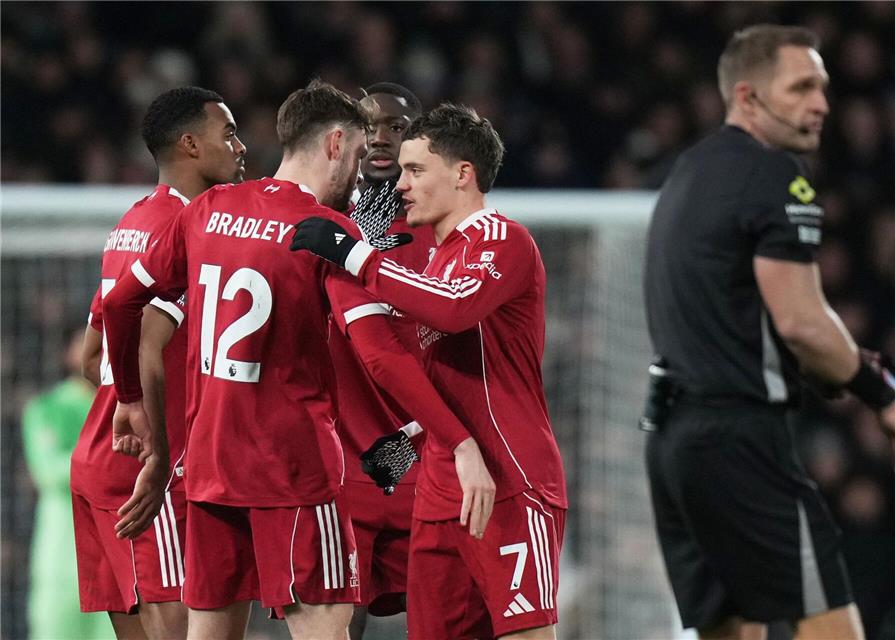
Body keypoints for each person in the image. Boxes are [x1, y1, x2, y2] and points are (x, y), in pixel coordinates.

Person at [101, 80, 495, 640]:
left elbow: (120, 302)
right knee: (327, 627)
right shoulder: (325, 232)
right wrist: (456, 440)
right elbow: (379, 354)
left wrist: (130, 399)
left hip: (211, 469)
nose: (362, 175)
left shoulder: (209, 209)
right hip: (296, 471)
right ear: (335, 143)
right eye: (359, 155)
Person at [641, 25, 895, 640]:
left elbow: (738, 316)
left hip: (671, 443)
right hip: (739, 440)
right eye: (801, 87)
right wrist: (886, 397)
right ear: (747, 97)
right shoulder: (776, 176)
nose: (821, 103)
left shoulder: (687, 173)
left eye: (822, 88)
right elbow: (802, 322)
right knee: (832, 631)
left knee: (734, 632)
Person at [291, 103, 569, 640]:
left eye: (416, 171)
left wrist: (357, 256)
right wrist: (414, 437)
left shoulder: (503, 239)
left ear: (463, 174)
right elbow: (446, 375)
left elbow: (453, 308)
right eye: (400, 173)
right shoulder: (437, 261)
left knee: (524, 633)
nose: (401, 186)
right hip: (443, 487)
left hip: (510, 477)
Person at [70, 86, 246, 640]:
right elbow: (146, 340)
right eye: (229, 133)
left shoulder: (132, 219)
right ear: (191, 145)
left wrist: (117, 400)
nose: (240, 147)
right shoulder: (191, 230)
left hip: (98, 458)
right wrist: (149, 424)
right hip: (148, 468)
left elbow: (90, 352)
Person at [331, 81, 430, 639]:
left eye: (398, 126)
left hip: (416, 447)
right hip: (341, 451)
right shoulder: (324, 219)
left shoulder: (436, 226)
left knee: (440, 604)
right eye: (371, 125)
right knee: (345, 609)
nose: (383, 137)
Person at [22, 328, 115, 640]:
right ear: (69, 353)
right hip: (62, 559)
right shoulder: (46, 408)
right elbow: (49, 471)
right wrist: (111, 461)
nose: (101, 350)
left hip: (117, 558)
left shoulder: (126, 407)